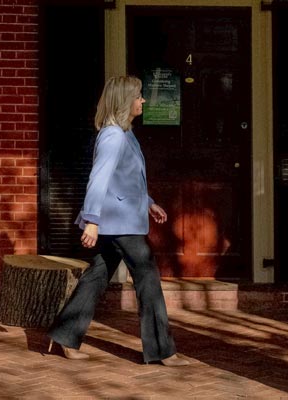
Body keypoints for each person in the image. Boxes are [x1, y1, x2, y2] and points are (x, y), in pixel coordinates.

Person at [47, 76, 189, 367]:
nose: (143, 100)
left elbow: (126, 181)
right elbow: (98, 179)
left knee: (97, 276)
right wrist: (91, 220)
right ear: (125, 101)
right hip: (118, 223)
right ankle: (162, 351)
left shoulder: (125, 134)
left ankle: (64, 335)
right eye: (138, 96)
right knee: (148, 280)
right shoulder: (113, 135)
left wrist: (149, 203)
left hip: (122, 219)